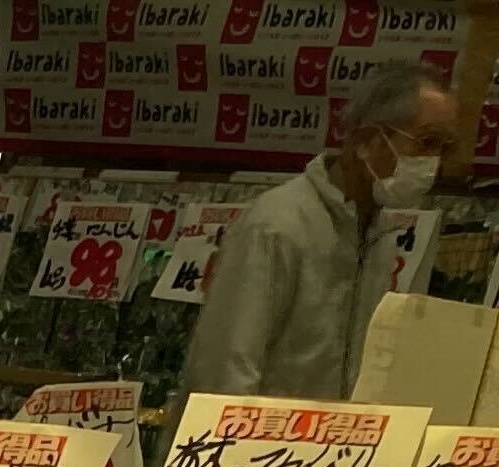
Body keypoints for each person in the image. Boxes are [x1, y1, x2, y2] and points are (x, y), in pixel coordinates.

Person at [179, 66, 463, 407]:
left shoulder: (380, 235)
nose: (436, 164)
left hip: (332, 438)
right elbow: (224, 371)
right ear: (367, 142)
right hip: (258, 436)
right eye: (427, 143)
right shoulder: (278, 225)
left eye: (445, 148)